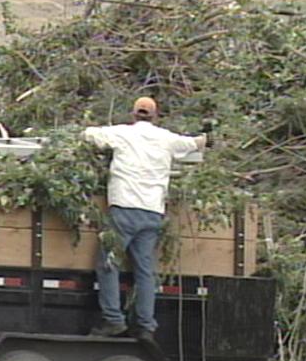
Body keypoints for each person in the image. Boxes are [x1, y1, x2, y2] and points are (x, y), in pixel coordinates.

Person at [81, 97, 214, 342]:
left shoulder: (122, 133)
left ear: (134, 114)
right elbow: (195, 143)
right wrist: (207, 135)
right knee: (145, 272)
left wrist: (88, 130)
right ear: (155, 116)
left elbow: (90, 135)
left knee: (108, 264)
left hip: (124, 209)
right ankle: (145, 326)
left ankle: (113, 320)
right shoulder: (167, 139)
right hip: (152, 213)